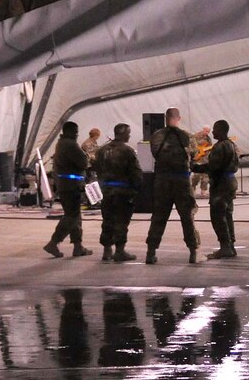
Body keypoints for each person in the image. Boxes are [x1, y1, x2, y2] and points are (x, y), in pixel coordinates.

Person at [145, 107, 200, 264]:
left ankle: (151, 252)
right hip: (181, 182)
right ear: (178, 118)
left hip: (162, 181)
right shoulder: (186, 136)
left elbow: (155, 153)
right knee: (187, 217)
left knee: (158, 217)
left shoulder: (156, 136)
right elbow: (194, 154)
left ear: (165, 118)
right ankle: (193, 251)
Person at [91, 123, 143, 261]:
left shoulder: (101, 151)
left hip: (107, 191)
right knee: (121, 221)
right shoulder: (127, 151)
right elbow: (135, 173)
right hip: (123, 192)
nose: (129, 135)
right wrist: (137, 188)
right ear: (122, 133)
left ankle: (107, 250)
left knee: (108, 220)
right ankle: (120, 251)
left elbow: (97, 169)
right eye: (128, 132)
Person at [42, 122, 92, 258]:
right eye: (75, 132)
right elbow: (83, 162)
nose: (77, 134)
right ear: (69, 131)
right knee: (72, 216)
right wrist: (87, 156)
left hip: (65, 185)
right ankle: (54, 242)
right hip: (71, 185)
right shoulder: (70, 144)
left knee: (75, 215)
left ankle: (78, 246)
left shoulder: (61, 143)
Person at [202, 119, 240, 258]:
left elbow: (213, 166)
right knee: (227, 214)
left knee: (218, 215)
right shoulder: (232, 144)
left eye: (215, 129)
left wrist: (195, 167)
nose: (213, 132)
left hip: (221, 184)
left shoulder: (219, 146)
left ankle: (225, 246)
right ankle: (231, 245)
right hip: (230, 182)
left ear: (222, 130)